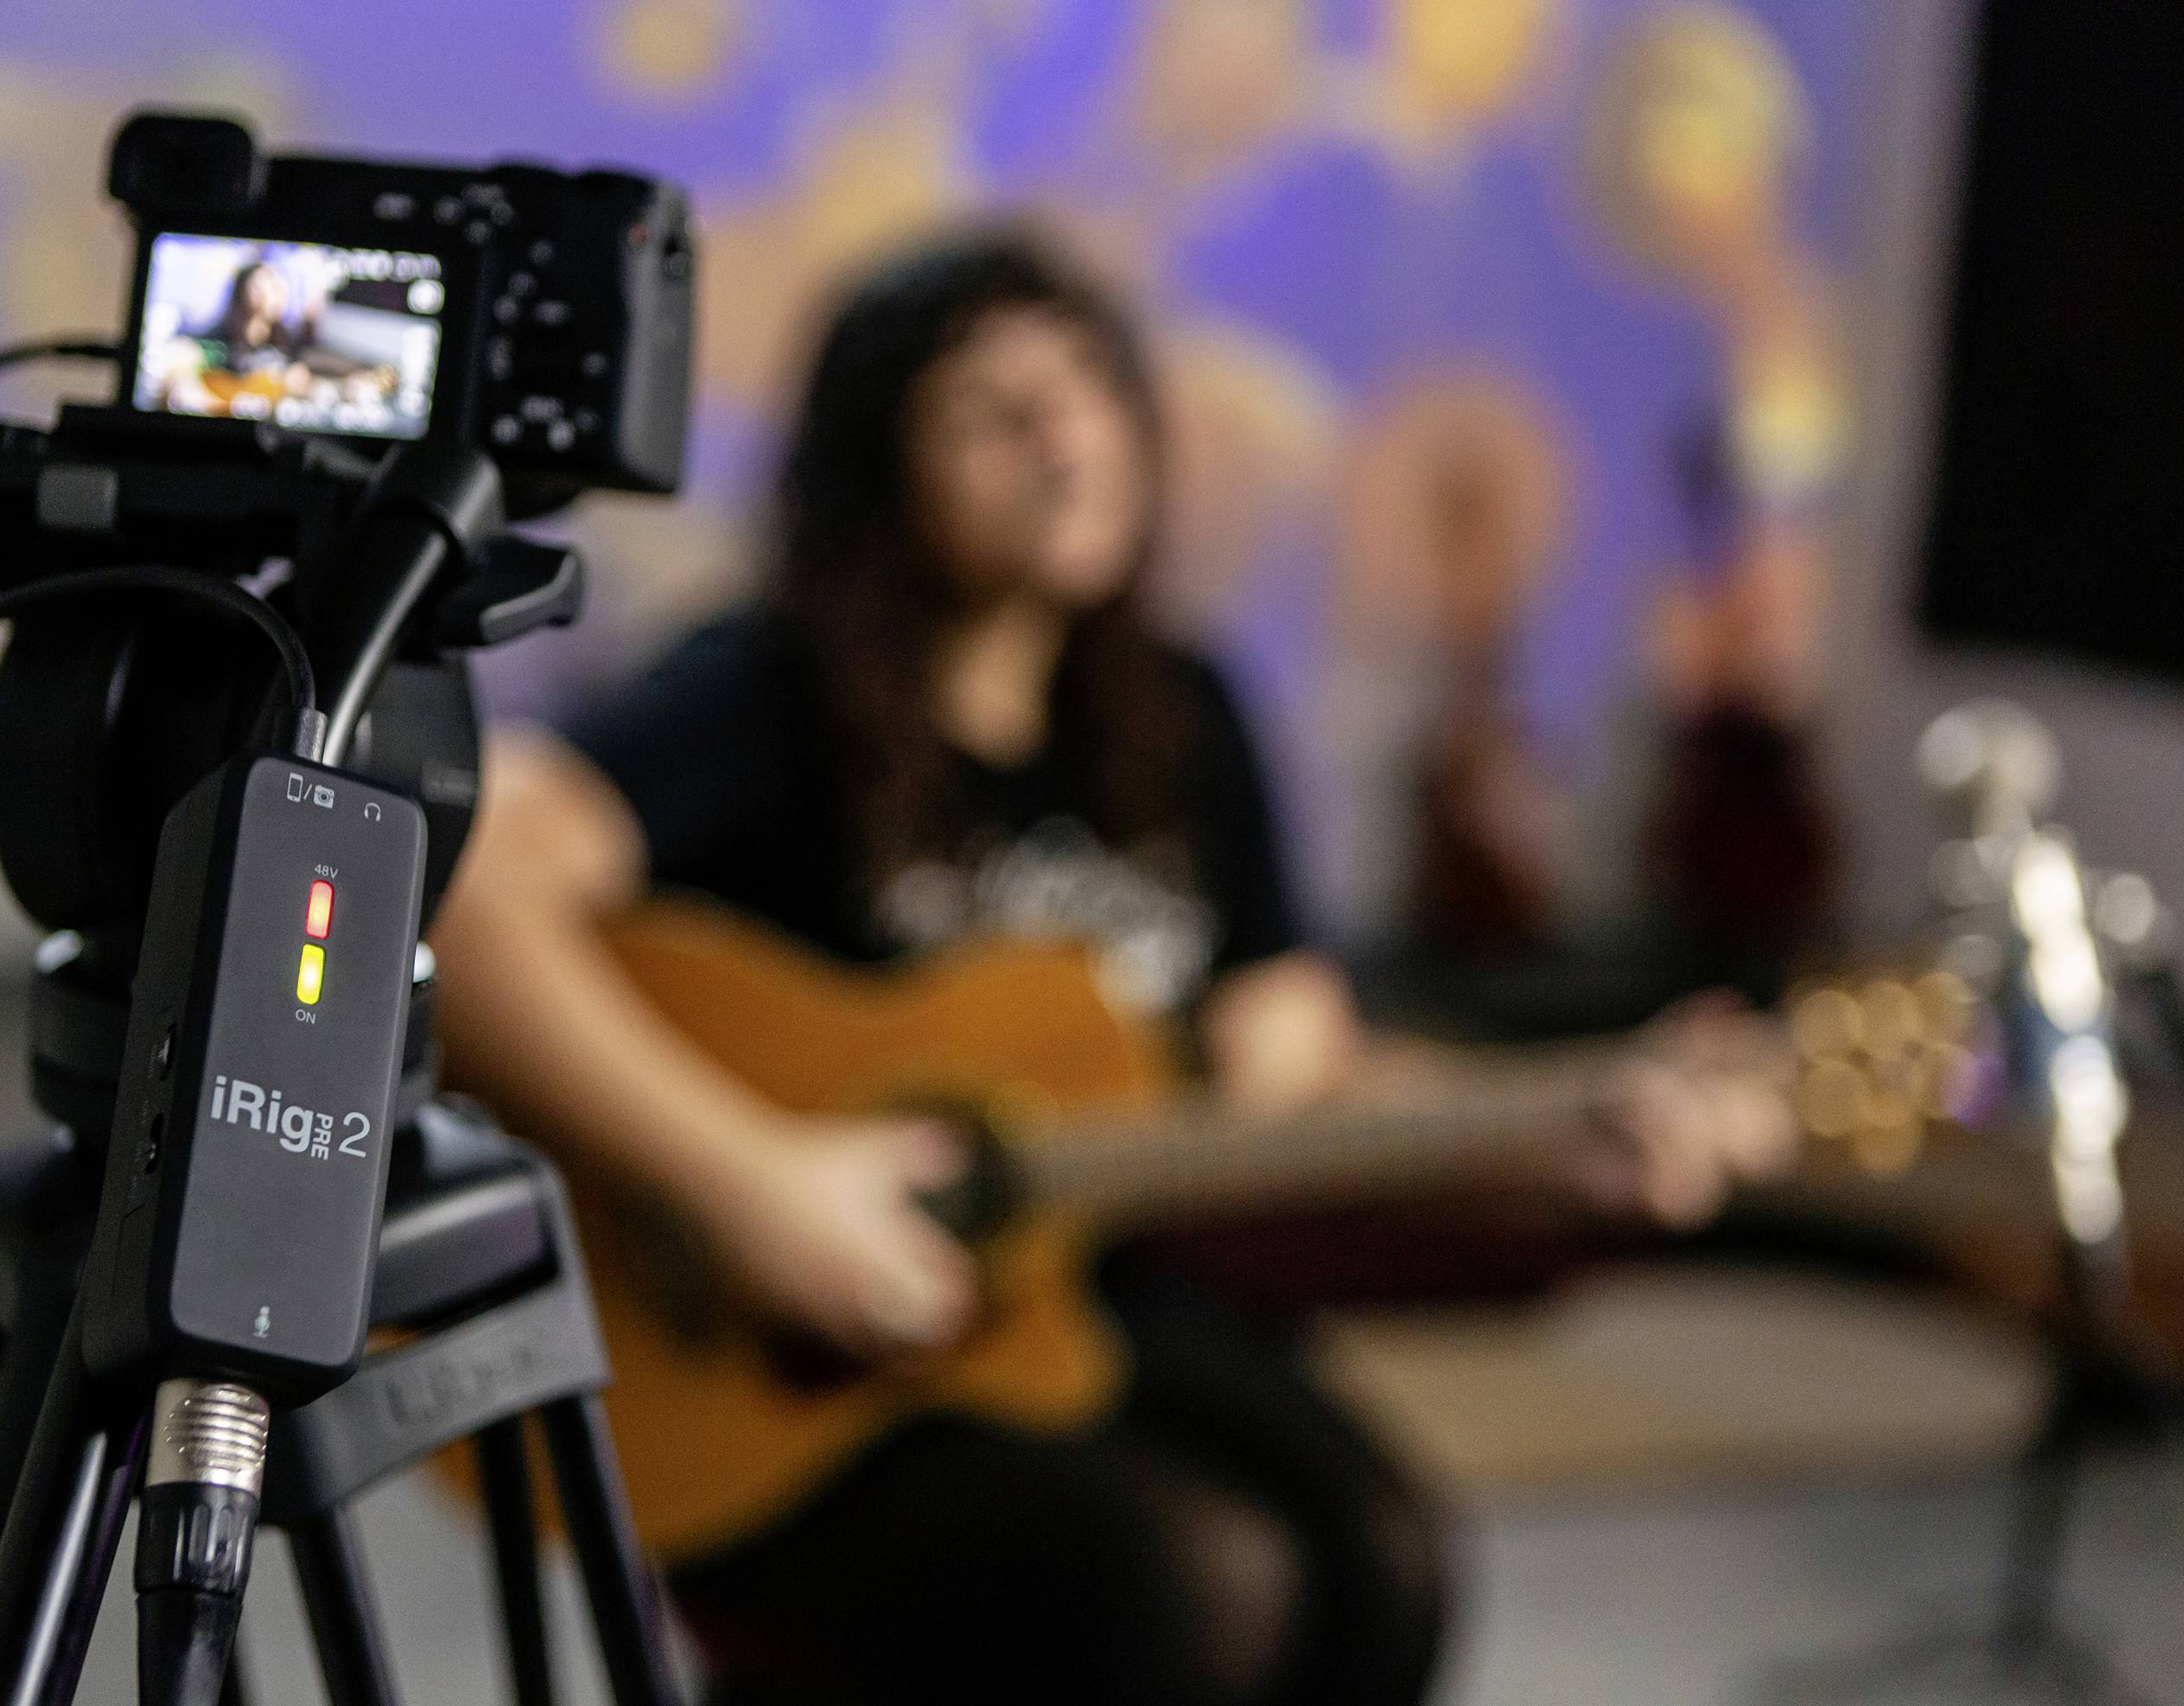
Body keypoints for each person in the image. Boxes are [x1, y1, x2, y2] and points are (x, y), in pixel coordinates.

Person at [432, 230, 1791, 1706]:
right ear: (879, 469)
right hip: (789, 1361)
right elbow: (469, 881)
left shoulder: (1188, 716)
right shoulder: (760, 691)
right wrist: (748, 1181)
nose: (1062, 438)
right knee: (1196, 1588)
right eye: (988, 410)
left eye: (1086, 386)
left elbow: (1302, 1085)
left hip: (1094, 1298)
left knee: (1388, 1562)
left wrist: (1556, 1135)